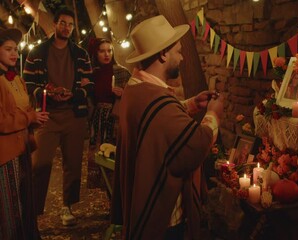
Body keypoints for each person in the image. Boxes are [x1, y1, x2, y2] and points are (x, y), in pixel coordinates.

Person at [111, 15, 223, 240]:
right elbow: (195, 146)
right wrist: (213, 114)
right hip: (162, 217)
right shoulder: (156, 100)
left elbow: (157, 121)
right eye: (178, 51)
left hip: (140, 200)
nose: (182, 58)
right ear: (163, 54)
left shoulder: (135, 89)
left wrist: (191, 104)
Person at [23, 8, 93, 226]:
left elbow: (88, 82)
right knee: (40, 163)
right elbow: (29, 82)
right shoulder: (38, 52)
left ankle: (67, 206)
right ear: (55, 24)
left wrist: (76, 93)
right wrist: (46, 93)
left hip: (74, 114)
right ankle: (33, 211)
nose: (67, 28)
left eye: (70, 25)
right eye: (63, 23)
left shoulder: (80, 54)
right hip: (48, 115)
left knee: (73, 164)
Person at [0, 27, 49, 239]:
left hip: (23, 150)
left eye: (16, 49)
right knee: (10, 209)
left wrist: (34, 118)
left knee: (24, 204)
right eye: (8, 49)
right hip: (6, 155)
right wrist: (28, 118)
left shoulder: (17, 79)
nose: (14, 53)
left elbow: (26, 109)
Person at [86, 38, 130, 189]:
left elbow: (134, 96)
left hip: (115, 118)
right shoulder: (92, 73)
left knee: (114, 157)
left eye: (109, 50)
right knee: (100, 156)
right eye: (102, 51)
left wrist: (123, 93)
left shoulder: (122, 72)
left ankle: (116, 198)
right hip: (98, 119)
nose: (106, 54)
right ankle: (106, 192)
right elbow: (90, 99)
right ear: (96, 54)